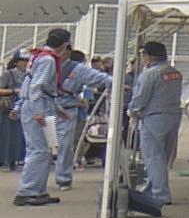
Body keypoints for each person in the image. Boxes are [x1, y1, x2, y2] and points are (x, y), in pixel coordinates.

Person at [13, 28, 73, 206]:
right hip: (39, 106)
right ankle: (28, 191)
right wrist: (39, 111)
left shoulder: (38, 56)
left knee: (43, 150)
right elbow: (38, 87)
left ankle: (37, 190)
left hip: (36, 104)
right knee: (39, 150)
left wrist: (55, 108)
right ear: (65, 44)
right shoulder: (48, 60)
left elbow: (30, 85)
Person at [128, 41, 184, 206]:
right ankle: (151, 189)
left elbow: (141, 97)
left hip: (153, 118)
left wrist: (132, 111)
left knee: (153, 157)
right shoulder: (175, 72)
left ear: (149, 56)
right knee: (162, 157)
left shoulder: (149, 74)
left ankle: (160, 194)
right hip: (173, 116)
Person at [52, 49, 113, 191]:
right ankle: (61, 179)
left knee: (47, 147)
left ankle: (41, 182)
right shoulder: (78, 69)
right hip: (64, 110)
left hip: (49, 109)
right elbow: (103, 80)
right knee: (64, 146)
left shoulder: (44, 64)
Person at [0, 50, 27, 170]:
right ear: (16, 62)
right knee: (6, 136)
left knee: (18, 137)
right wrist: (13, 91)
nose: (25, 63)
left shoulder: (28, 75)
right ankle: (4, 161)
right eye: (22, 60)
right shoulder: (8, 74)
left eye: (27, 60)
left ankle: (14, 160)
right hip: (8, 109)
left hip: (23, 110)